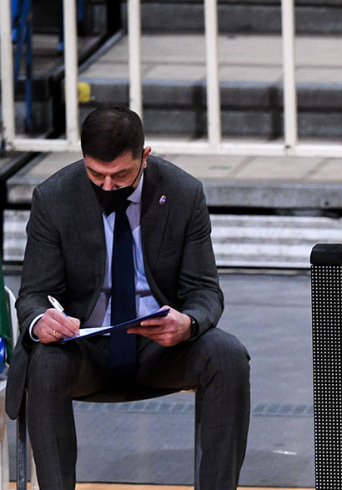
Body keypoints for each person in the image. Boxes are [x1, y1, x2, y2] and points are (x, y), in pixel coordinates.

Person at [5, 106, 250, 490]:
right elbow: (34, 294)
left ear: (144, 156)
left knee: (227, 354)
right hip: (84, 350)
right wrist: (41, 322)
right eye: (95, 174)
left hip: (161, 348)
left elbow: (205, 290)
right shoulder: (54, 197)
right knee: (45, 361)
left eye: (119, 175)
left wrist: (187, 323)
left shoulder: (183, 193)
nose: (107, 186)